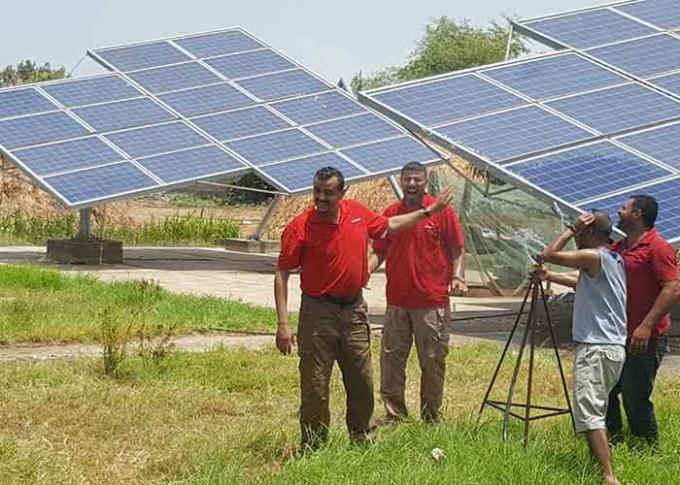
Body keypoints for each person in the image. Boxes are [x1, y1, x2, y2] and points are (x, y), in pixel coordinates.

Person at [274, 166, 453, 449]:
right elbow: (282, 272)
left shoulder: (357, 213)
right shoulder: (300, 226)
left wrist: (430, 212)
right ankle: (314, 445)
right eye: (316, 191)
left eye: (328, 193)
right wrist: (283, 324)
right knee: (316, 384)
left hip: (354, 311)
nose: (320, 198)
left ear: (342, 193)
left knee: (361, 380)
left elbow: (390, 225)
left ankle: (363, 442)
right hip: (317, 314)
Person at [368, 161, 465, 423]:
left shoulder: (442, 211)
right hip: (397, 301)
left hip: (431, 302)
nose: (412, 184)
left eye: (417, 179)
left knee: (433, 362)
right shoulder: (392, 213)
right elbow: (380, 250)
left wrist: (457, 276)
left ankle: (431, 417)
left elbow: (457, 249)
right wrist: (366, 269)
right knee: (391, 361)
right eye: (407, 179)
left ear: (425, 181)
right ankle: (394, 415)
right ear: (401, 181)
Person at [540, 212, 627, 485]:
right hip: (612, 348)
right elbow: (582, 283)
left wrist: (569, 228)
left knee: (590, 413)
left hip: (596, 348)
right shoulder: (613, 259)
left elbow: (549, 252)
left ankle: (608, 477)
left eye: (580, 235)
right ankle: (597, 467)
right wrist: (550, 275)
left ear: (589, 234)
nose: (576, 239)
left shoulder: (594, 256)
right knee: (594, 411)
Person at [606, 195, 680, 447]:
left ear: (637, 214)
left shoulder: (658, 248)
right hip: (617, 335)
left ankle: (646, 448)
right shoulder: (617, 248)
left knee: (635, 395)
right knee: (605, 390)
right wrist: (550, 275)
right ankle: (612, 441)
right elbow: (594, 277)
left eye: (624, 208)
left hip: (646, 338)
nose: (618, 211)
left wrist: (646, 326)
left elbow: (672, 288)